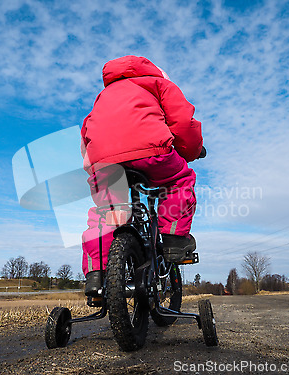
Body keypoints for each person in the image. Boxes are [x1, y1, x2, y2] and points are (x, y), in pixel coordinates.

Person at [80, 55, 203, 297]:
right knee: (179, 181)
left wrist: (93, 167)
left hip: (103, 162)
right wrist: (192, 151)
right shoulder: (158, 84)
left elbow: (87, 131)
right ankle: (174, 239)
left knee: (108, 212)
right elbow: (183, 123)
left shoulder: (103, 96)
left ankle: (97, 274)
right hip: (150, 151)